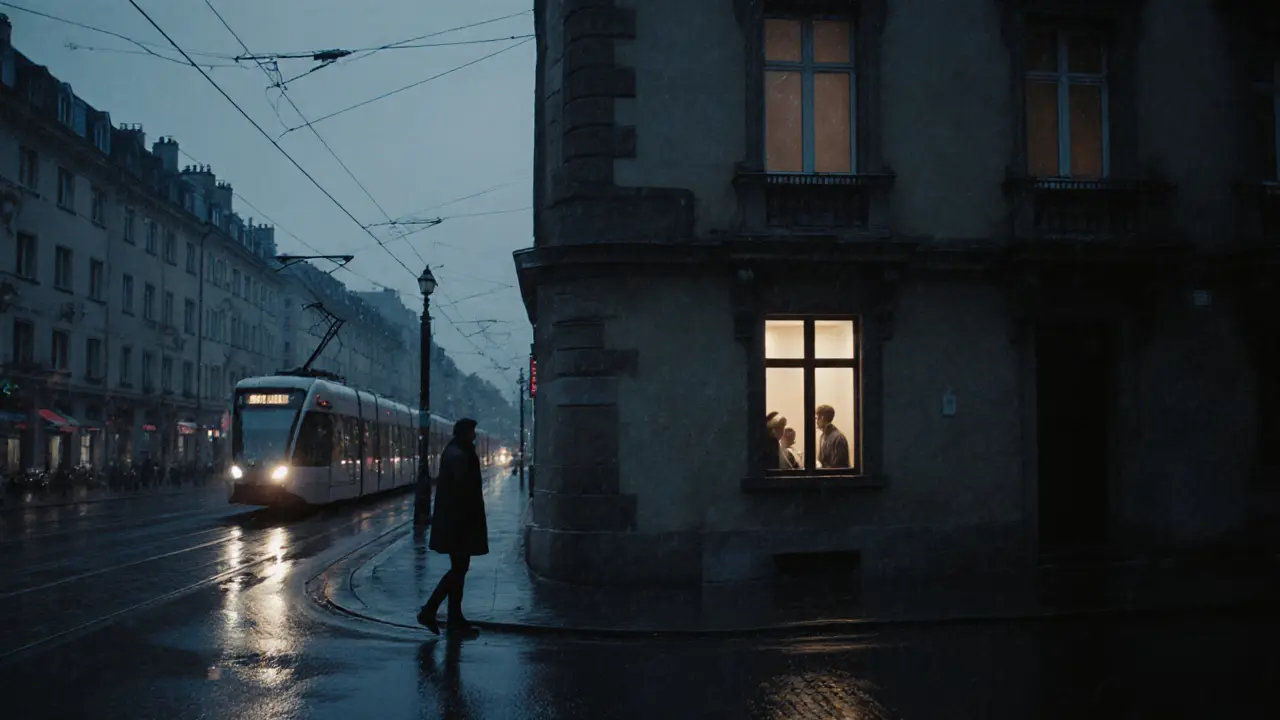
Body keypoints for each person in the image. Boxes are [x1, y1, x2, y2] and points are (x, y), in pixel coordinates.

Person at [417, 418, 488, 636]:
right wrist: (469, 518)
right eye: (473, 431)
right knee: (458, 569)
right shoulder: (459, 455)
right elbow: (465, 490)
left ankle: (455, 617)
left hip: (455, 522)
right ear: (466, 433)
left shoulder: (455, 452)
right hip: (459, 523)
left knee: (459, 569)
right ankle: (430, 611)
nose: (475, 435)